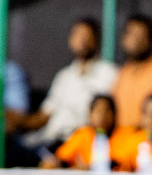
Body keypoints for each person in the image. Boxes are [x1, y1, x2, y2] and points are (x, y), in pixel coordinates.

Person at [20, 18, 118, 155]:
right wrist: (17, 121)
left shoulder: (109, 73)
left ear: (97, 40)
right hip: (49, 141)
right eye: (78, 35)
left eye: (87, 36)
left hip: (82, 144)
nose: (82, 40)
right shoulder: (64, 76)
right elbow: (44, 115)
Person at [43, 95, 137, 171]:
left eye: (106, 111)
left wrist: (91, 169)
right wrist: (55, 163)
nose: (101, 116)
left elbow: (120, 162)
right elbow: (63, 157)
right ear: (90, 114)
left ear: (114, 114)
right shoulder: (84, 134)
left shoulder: (125, 134)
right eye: (97, 111)